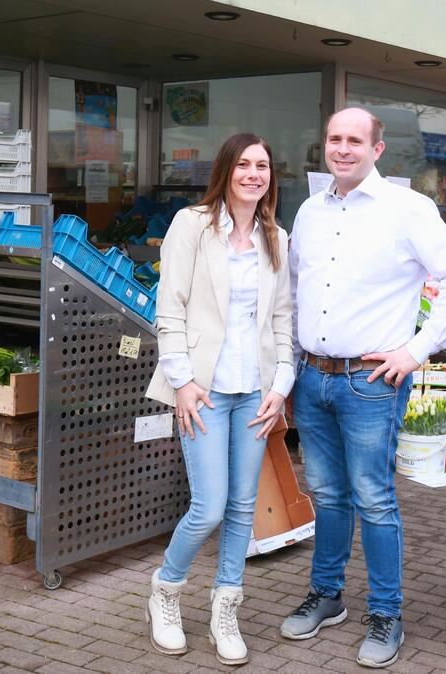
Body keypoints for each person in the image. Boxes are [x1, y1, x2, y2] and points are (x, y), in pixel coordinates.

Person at [281, 107, 446, 668]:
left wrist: (415, 350)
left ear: (377, 148)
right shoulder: (311, 211)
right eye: (334, 139)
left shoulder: (407, 209)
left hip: (371, 382)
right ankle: (328, 595)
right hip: (313, 375)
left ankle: (387, 613)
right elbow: (296, 292)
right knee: (325, 493)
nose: (342, 149)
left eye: (354, 140)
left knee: (374, 498)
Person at [144, 133, 294, 666]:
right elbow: (171, 308)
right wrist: (182, 381)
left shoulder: (277, 237)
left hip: (255, 391)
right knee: (208, 507)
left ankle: (225, 608)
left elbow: (282, 321)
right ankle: (166, 588)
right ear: (226, 170)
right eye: (245, 164)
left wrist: (280, 387)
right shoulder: (192, 225)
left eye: (263, 165)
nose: (254, 174)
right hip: (203, 390)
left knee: (242, 507)